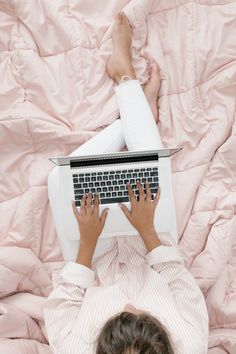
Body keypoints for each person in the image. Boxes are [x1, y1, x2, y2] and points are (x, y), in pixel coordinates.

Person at [44, 13, 209, 354]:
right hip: (151, 242)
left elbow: (63, 304)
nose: (131, 302)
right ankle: (126, 82)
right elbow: (180, 283)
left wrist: (87, 243)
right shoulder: (190, 345)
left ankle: (134, 115)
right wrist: (148, 231)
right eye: (142, 313)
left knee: (59, 178)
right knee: (148, 165)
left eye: (123, 314)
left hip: (94, 250)